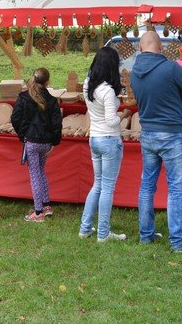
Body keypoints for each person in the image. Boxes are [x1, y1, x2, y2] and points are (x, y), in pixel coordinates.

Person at [130, 31, 182, 252]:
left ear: (141, 48)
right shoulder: (171, 68)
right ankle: (177, 241)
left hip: (148, 133)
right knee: (176, 189)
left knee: (147, 186)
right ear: (161, 48)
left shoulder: (134, 72)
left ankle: (146, 235)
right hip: (171, 134)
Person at [78, 47, 132, 242]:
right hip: (109, 139)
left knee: (98, 184)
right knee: (107, 187)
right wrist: (124, 115)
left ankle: (85, 228)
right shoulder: (107, 91)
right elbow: (111, 121)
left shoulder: (88, 84)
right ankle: (103, 233)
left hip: (95, 138)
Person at [11, 67, 63, 222]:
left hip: (32, 142)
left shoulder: (24, 97)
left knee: (35, 174)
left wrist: (23, 134)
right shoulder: (52, 100)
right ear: (48, 81)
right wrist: (54, 142)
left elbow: (15, 118)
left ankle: (38, 212)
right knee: (41, 171)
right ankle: (46, 206)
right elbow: (57, 123)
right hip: (45, 142)